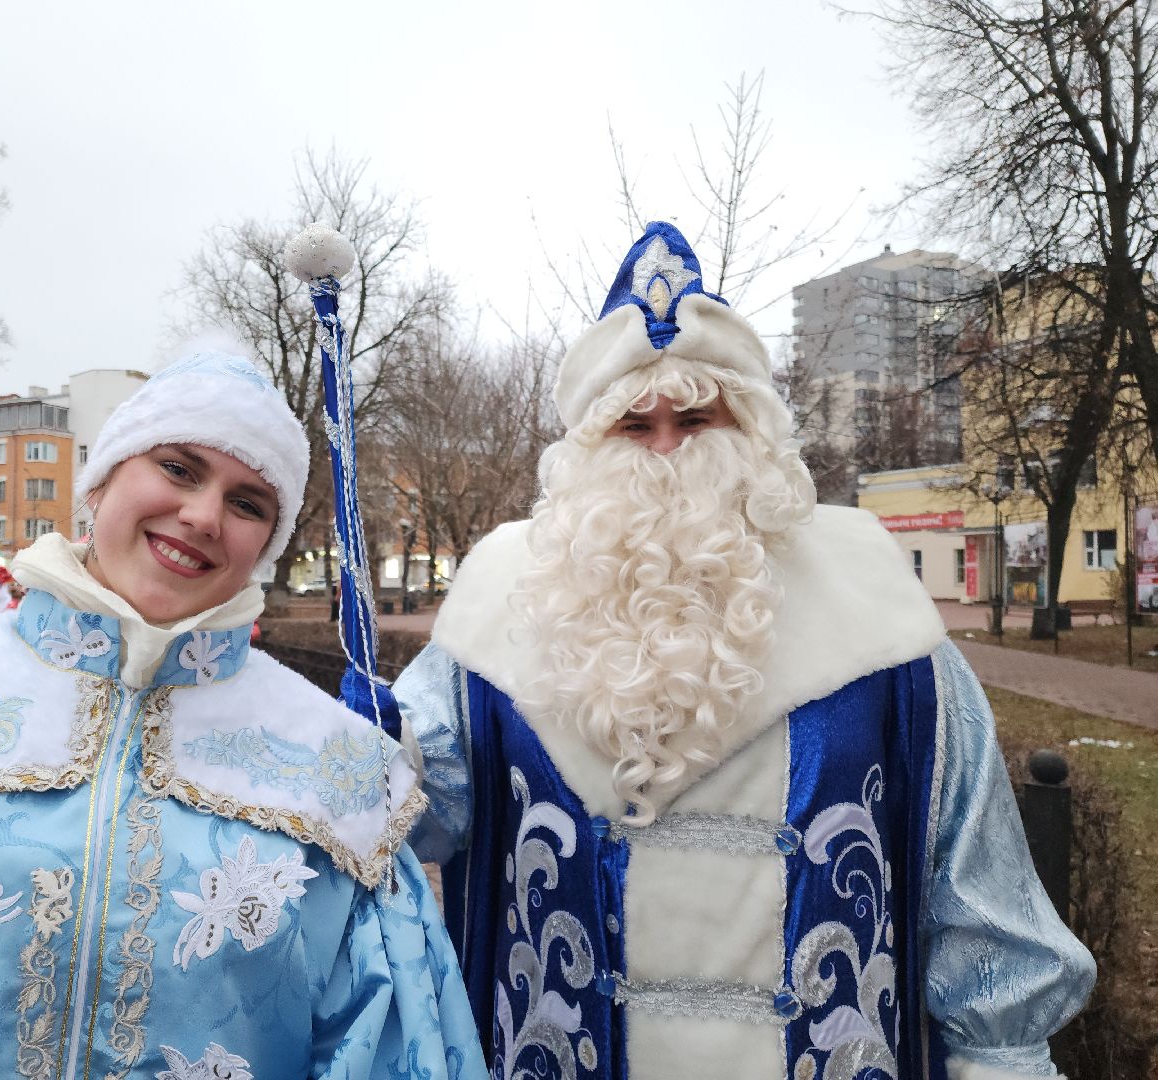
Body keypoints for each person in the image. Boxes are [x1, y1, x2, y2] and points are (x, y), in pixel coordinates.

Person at [395, 223, 1094, 1080]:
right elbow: (409, 812)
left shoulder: (877, 616)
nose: (664, 450)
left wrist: (1002, 1062)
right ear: (589, 448)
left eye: (694, 417)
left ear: (751, 431)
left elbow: (979, 896)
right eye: (631, 425)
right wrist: (362, 757)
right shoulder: (499, 602)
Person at [0, 351, 483, 1080]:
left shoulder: (341, 776)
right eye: (178, 468)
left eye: (248, 503)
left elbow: (382, 1046)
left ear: (266, 546)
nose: (204, 515)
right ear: (102, 481)